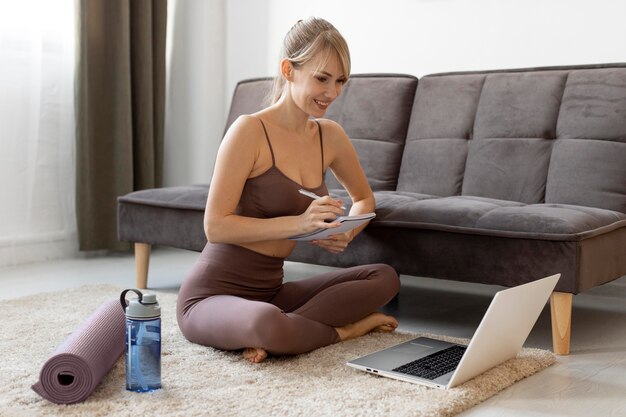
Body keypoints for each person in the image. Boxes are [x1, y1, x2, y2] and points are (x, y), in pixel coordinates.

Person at [176, 17, 400, 363]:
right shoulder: (249, 131)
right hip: (210, 297)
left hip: (272, 292)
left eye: (340, 81)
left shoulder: (330, 136)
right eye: (322, 78)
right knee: (267, 322)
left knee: (384, 278)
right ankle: (344, 331)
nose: (332, 92)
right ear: (288, 70)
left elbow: (363, 199)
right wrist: (301, 224)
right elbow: (215, 226)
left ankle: (281, 332)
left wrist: (348, 231)